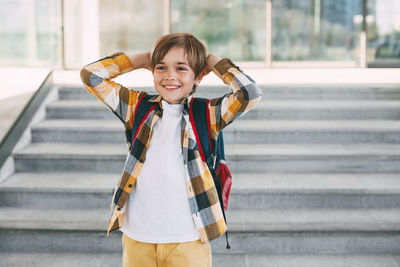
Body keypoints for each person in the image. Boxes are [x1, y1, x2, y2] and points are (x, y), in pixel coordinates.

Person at [80, 32, 262, 267]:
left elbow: (250, 93)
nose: (170, 76)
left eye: (181, 68)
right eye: (161, 67)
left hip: (188, 240)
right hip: (138, 237)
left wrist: (212, 62)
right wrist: (142, 59)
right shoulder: (137, 107)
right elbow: (91, 76)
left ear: (198, 76)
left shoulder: (207, 114)